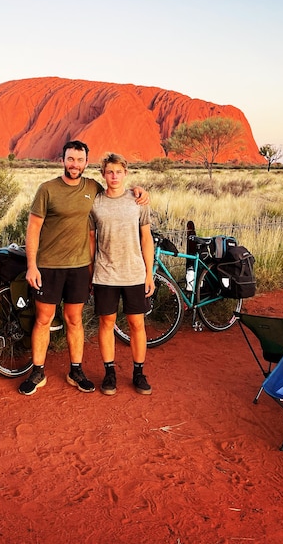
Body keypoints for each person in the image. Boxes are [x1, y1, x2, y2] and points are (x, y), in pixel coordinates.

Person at [18, 140, 148, 396]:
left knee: (74, 320)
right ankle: (37, 371)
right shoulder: (47, 189)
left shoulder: (93, 188)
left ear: (86, 163)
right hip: (48, 266)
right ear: (62, 160)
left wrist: (139, 190)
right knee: (44, 319)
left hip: (79, 267)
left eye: (79, 160)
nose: (74, 165)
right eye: (70, 159)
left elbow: (117, 189)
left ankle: (75, 370)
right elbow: (32, 228)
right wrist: (32, 265)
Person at [88, 153, 155, 395]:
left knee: (137, 323)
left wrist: (149, 274)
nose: (114, 176)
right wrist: (90, 271)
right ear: (103, 174)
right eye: (109, 172)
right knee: (107, 323)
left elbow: (146, 238)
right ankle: (109, 373)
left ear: (125, 173)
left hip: (134, 274)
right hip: (105, 273)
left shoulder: (138, 201)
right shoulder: (95, 203)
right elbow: (91, 240)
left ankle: (139, 372)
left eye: (118, 172)